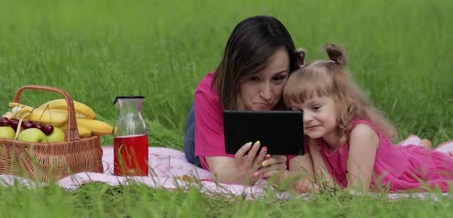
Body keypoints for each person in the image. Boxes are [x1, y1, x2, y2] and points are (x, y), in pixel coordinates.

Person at [282, 44, 453, 193]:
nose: (305, 118)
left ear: (343, 102)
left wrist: (317, 189)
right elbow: (329, 190)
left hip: (417, 171)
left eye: (315, 107)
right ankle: (419, 145)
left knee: (430, 160)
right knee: (407, 151)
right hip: (394, 159)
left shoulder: (360, 133)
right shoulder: (315, 137)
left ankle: (433, 150)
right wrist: (315, 151)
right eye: (297, 110)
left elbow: (355, 194)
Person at [183, 15, 303, 186]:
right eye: (254, 79)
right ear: (235, 73)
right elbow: (222, 173)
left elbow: (304, 175)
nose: (268, 94)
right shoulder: (212, 93)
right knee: (197, 122)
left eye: (278, 78)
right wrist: (245, 173)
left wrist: (284, 175)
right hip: (208, 117)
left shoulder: (297, 94)